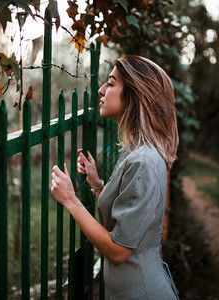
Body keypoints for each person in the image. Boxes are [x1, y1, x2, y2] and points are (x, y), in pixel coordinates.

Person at [50, 55, 179, 299]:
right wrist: (98, 185)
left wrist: (70, 200)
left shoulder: (142, 161)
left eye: (111, 83)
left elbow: (119, 251)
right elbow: (129, 216)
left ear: (134, 95)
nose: (101, 89)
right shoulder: (138, 152)